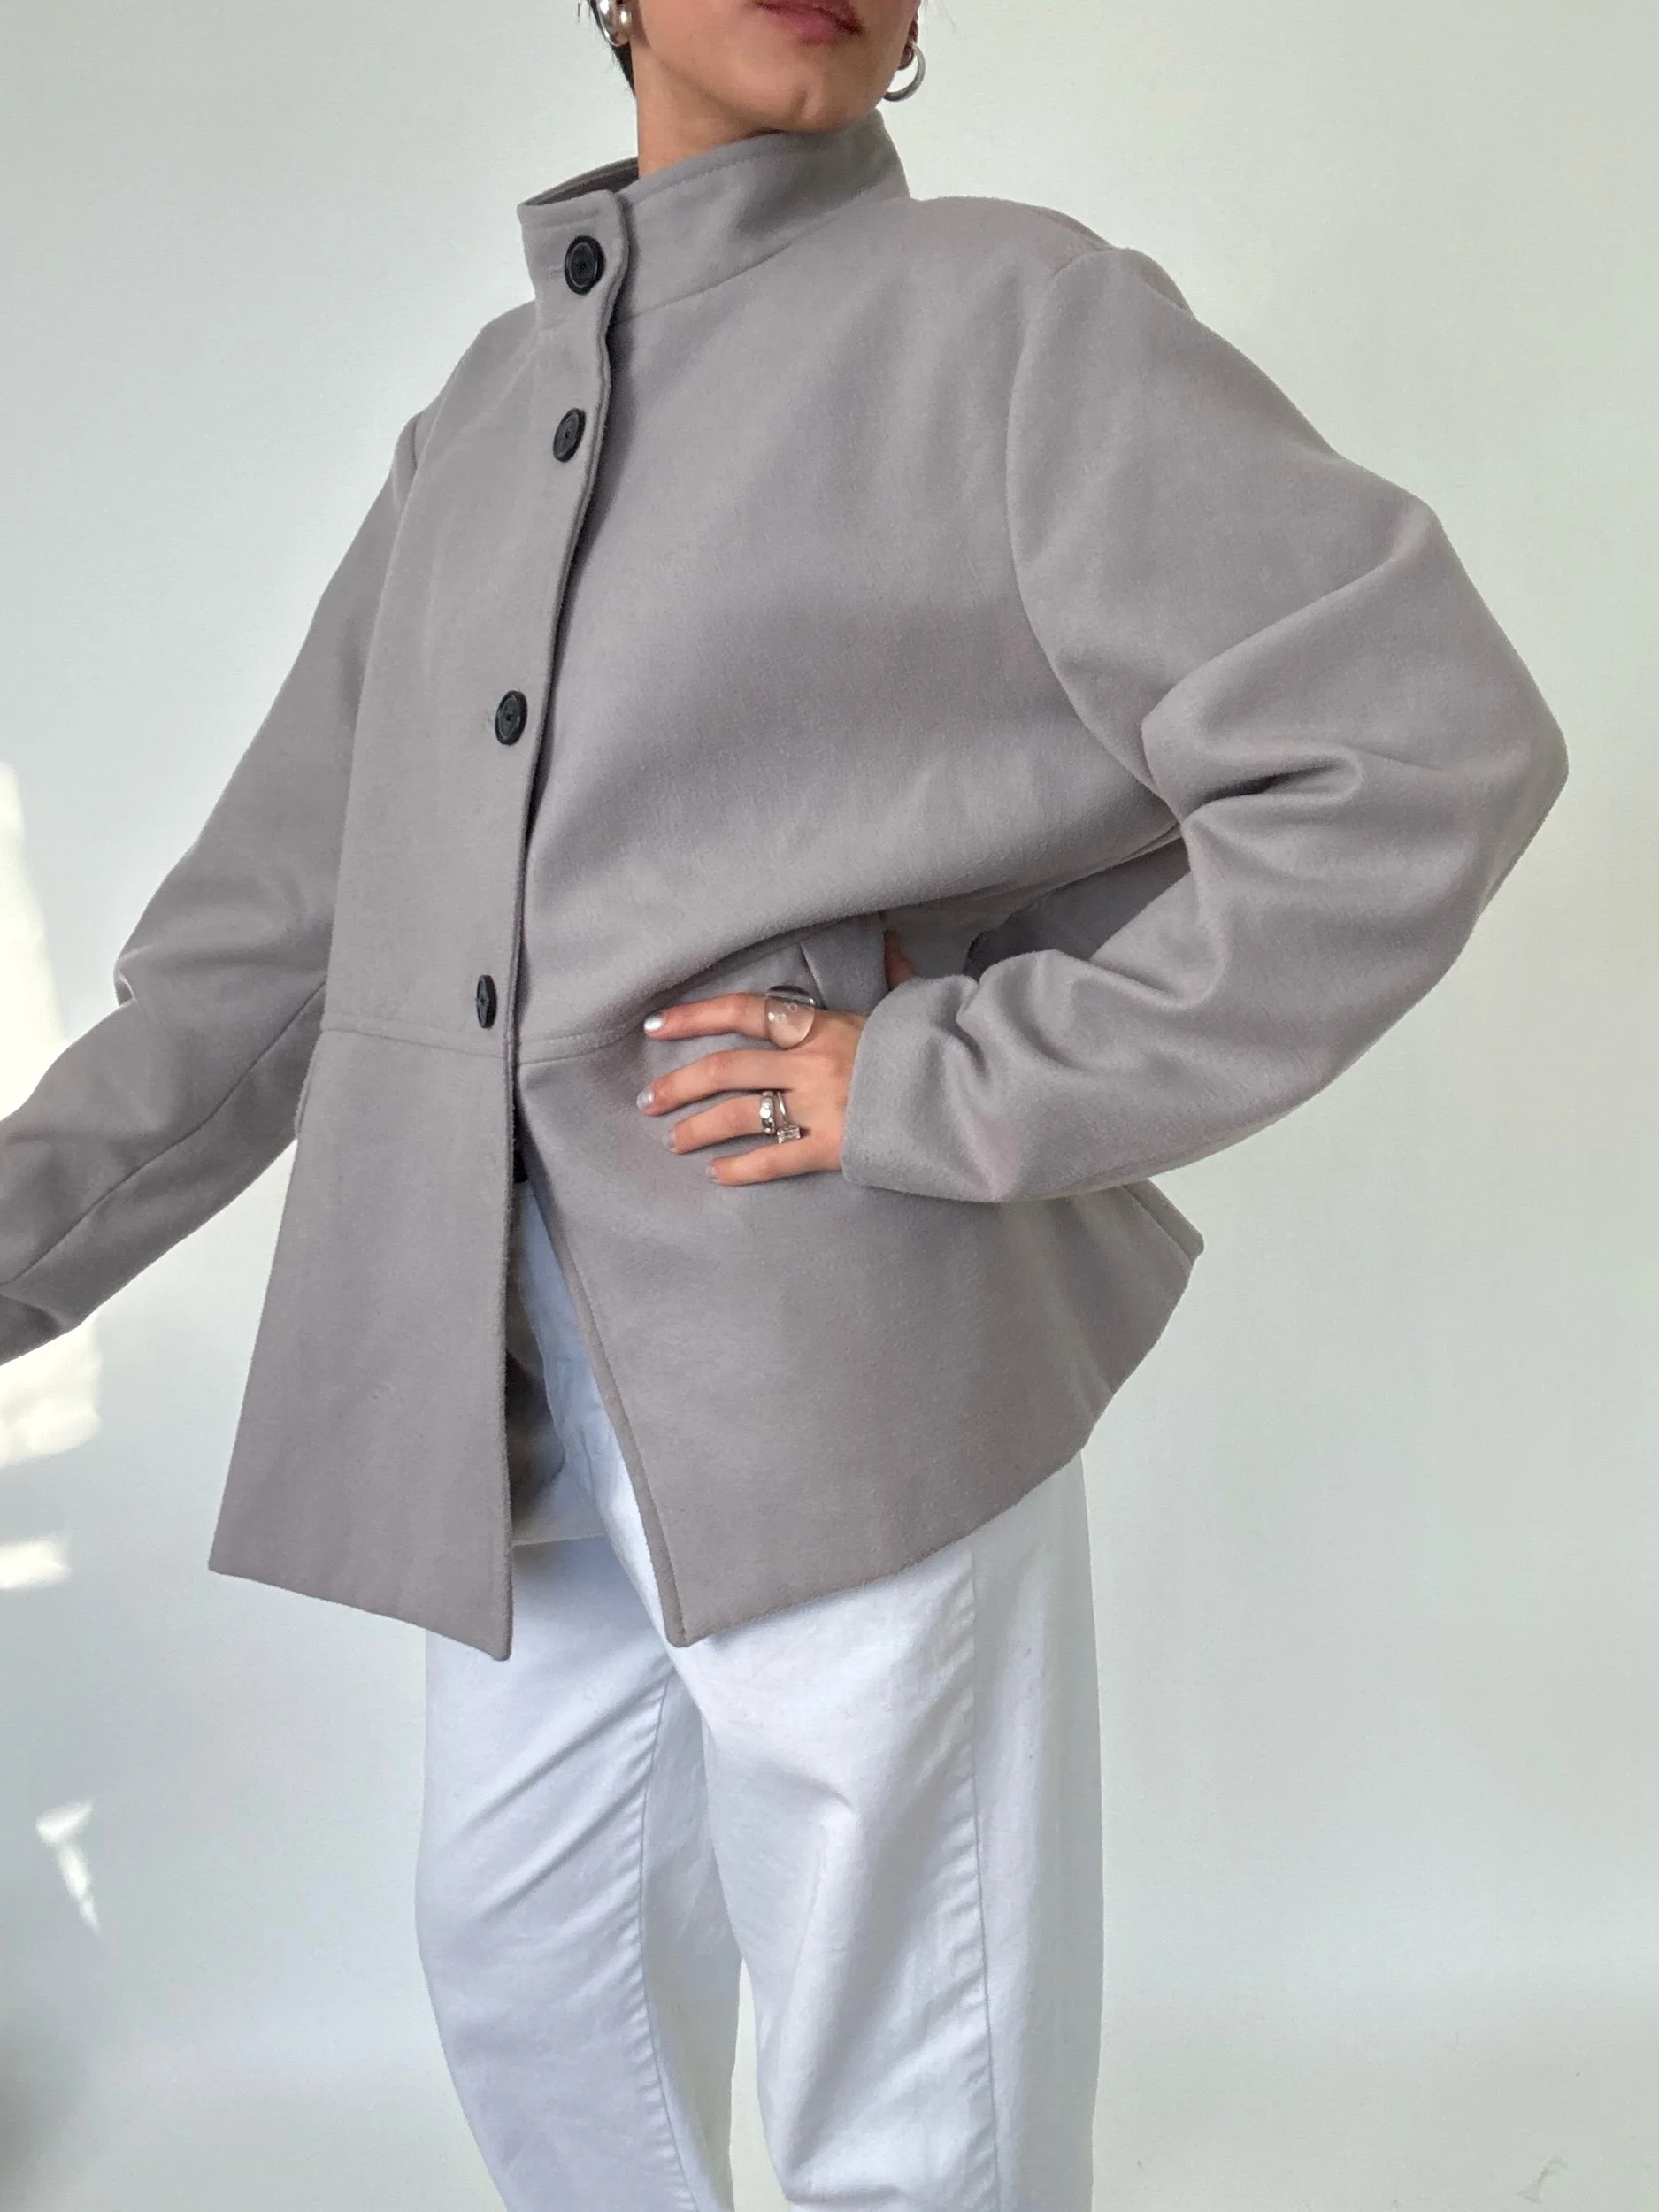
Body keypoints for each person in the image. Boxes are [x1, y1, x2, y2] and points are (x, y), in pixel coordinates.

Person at [0, 0, 1569, 2205]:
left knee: (909, 2091)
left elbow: (1412, 756)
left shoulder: (1015, 316)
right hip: (503, 1398)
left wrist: (948, 1069)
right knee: (526, 1963)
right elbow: (265, 953)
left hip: (854, 1365)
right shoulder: (476, 426)